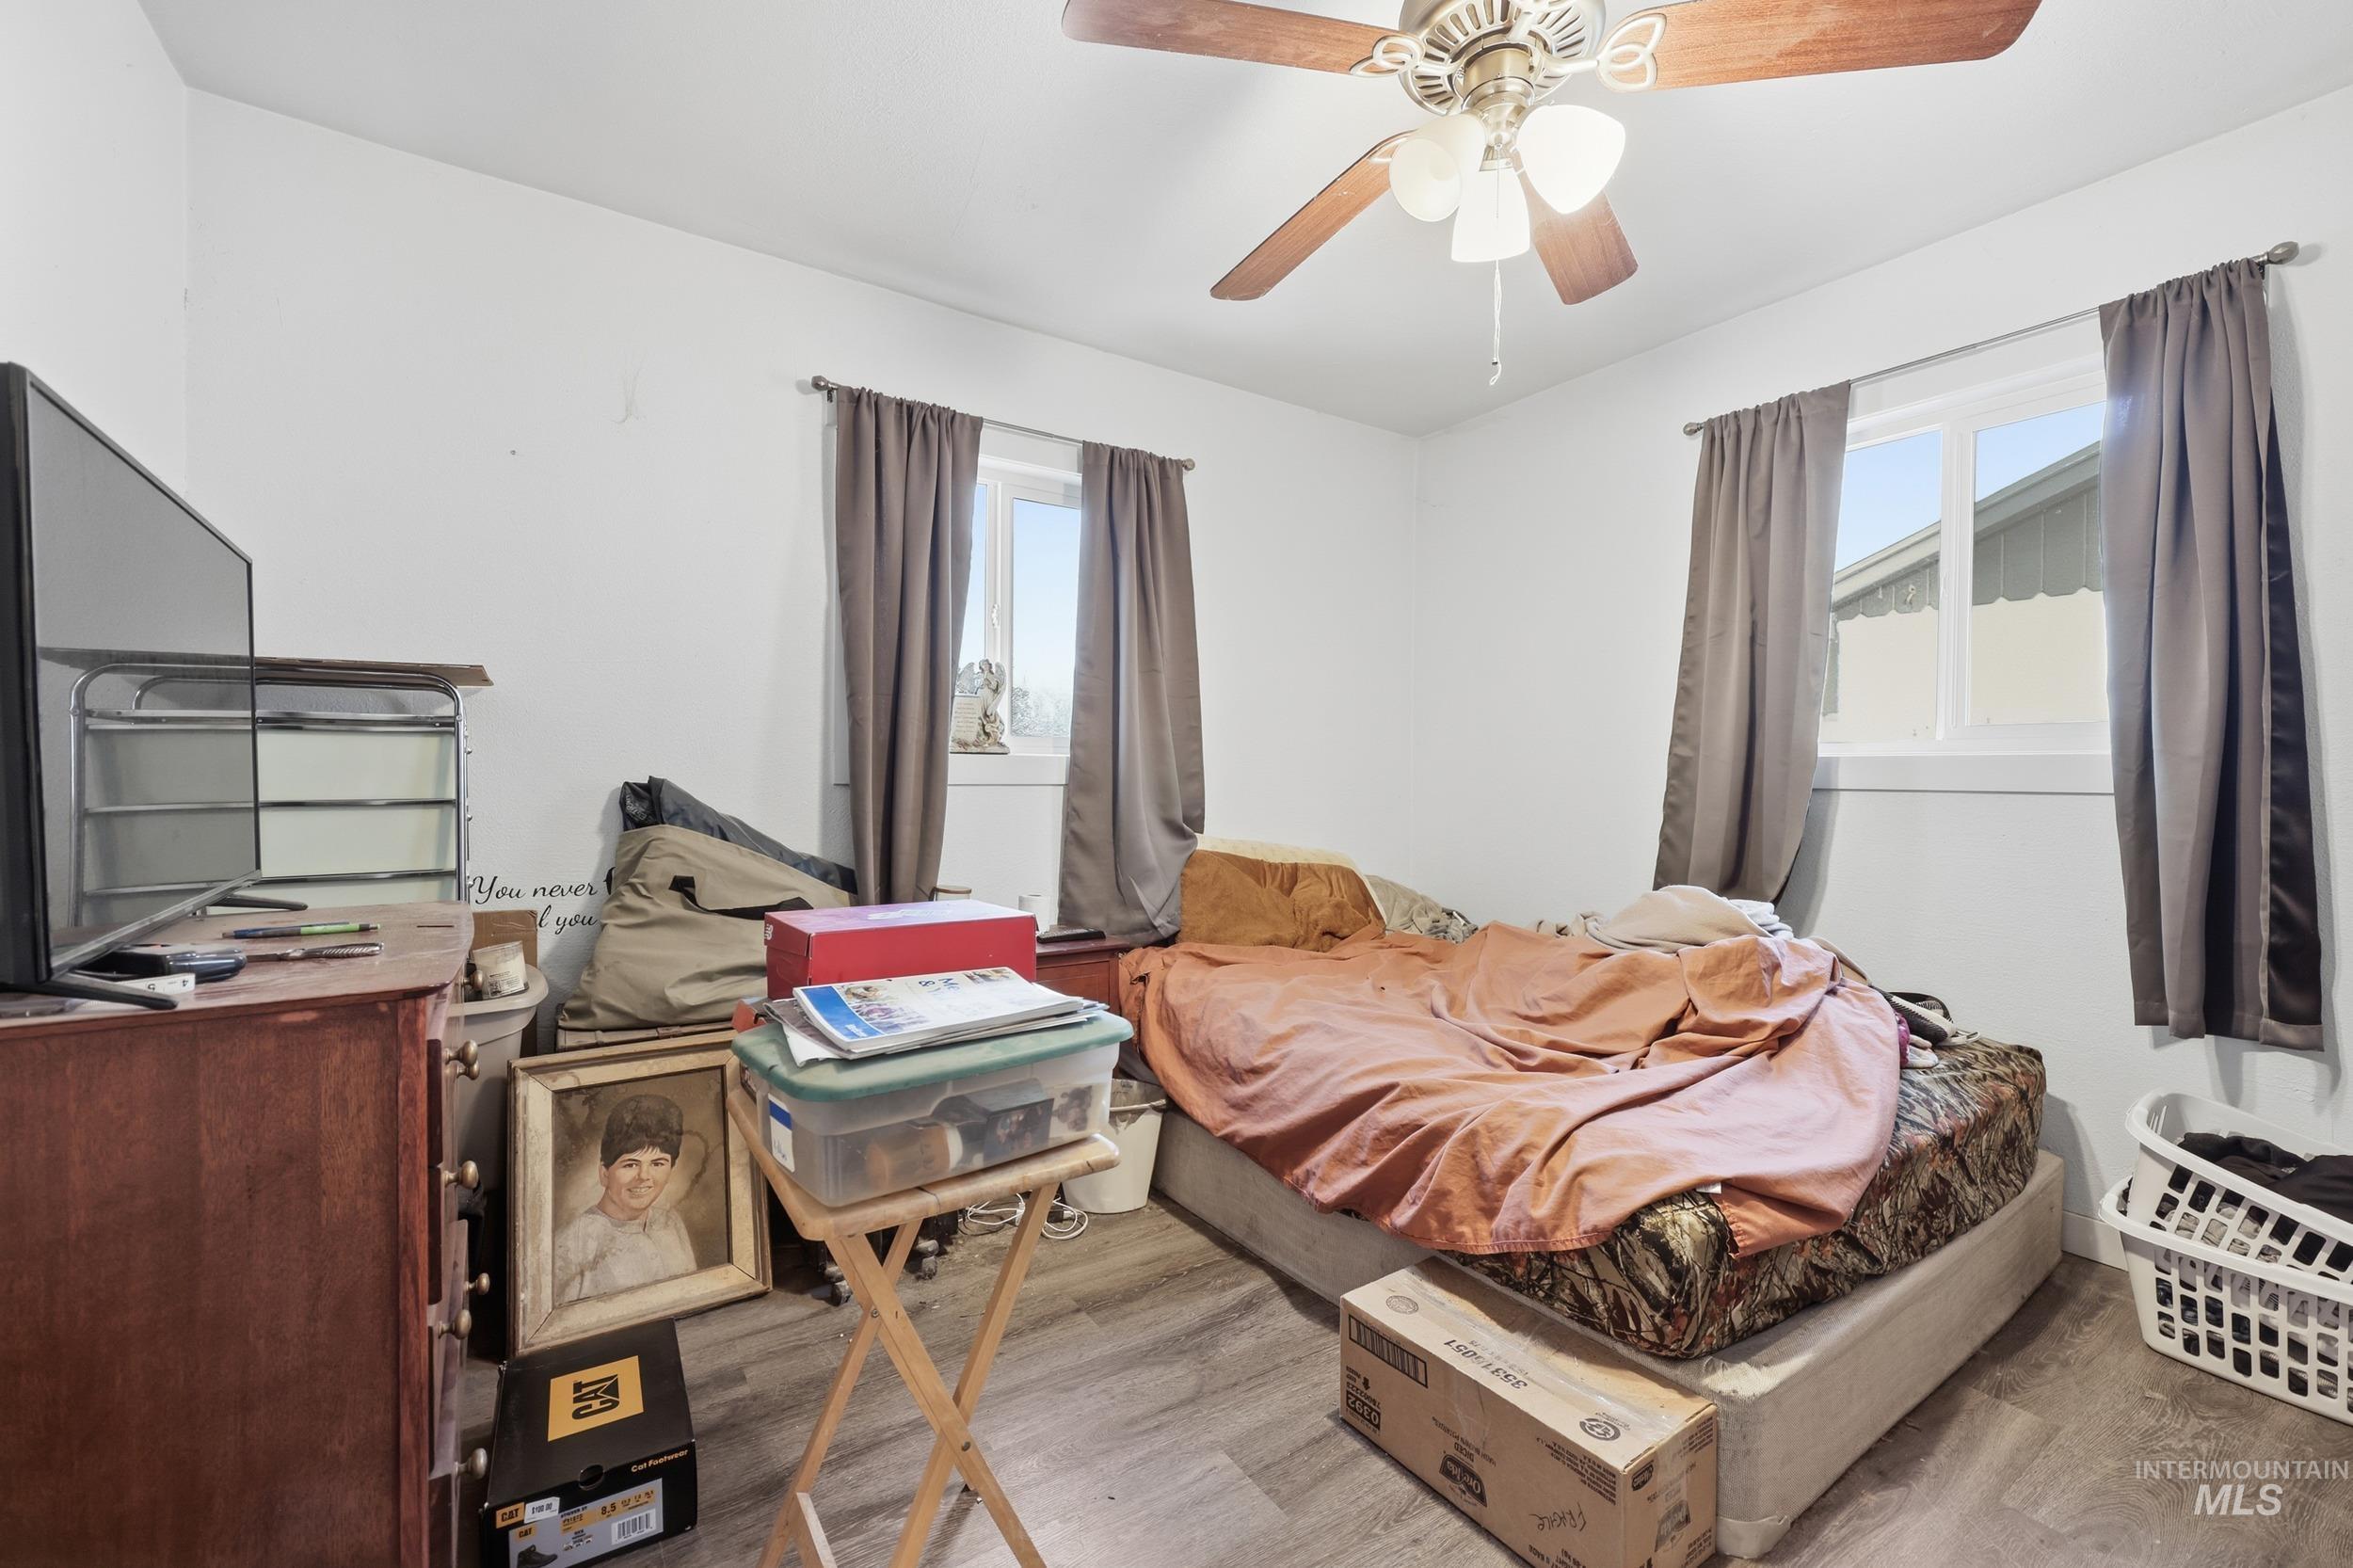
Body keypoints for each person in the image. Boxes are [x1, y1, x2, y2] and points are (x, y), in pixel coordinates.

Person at [552, 1093, 701, 1304]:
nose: (644, 1177)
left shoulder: (671, 1222)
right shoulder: (572, 1243)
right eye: (630, 1164)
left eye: (658, 1163)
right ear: (604, 1173)